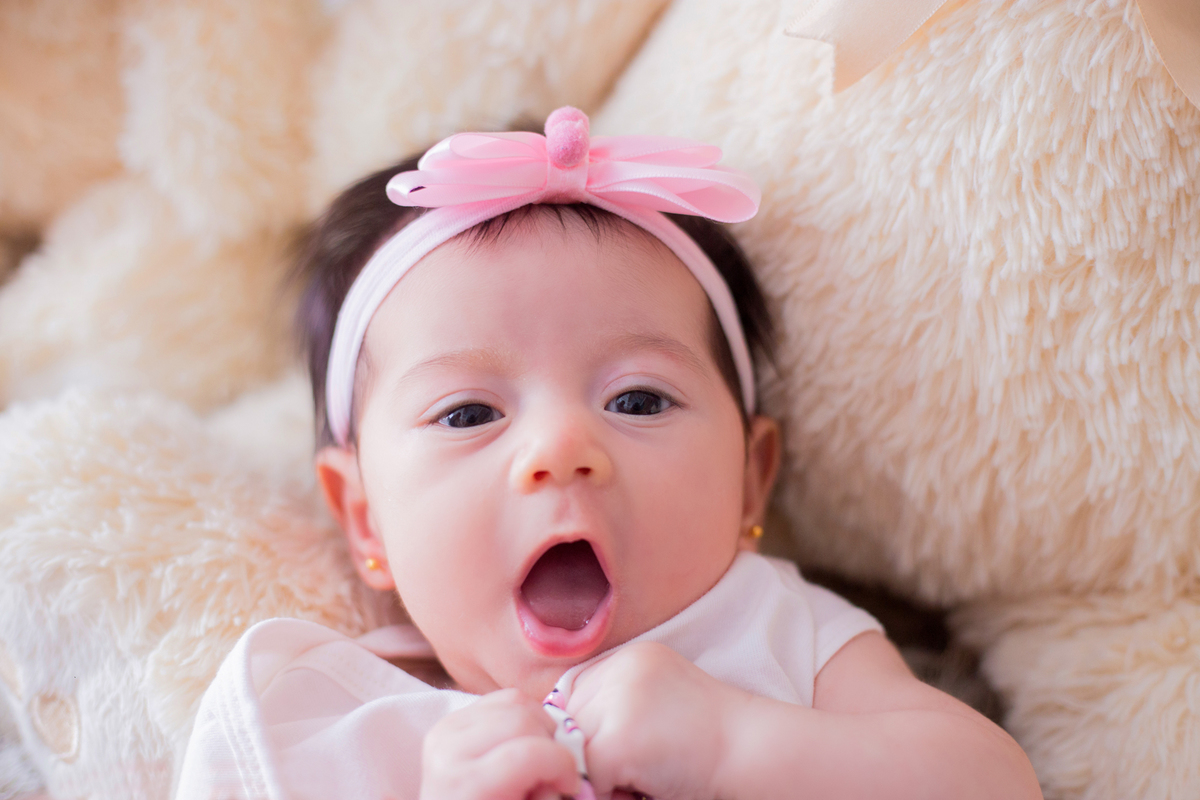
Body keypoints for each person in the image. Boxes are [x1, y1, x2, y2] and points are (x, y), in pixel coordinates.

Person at [175, 108, 1042, 800]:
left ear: (750, 481)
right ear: (366, 517)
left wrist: (734, 744)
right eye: (469, 412)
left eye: (638, 400)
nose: (561, 449)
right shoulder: (351, 724)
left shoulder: (782, 632)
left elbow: (995, 785)